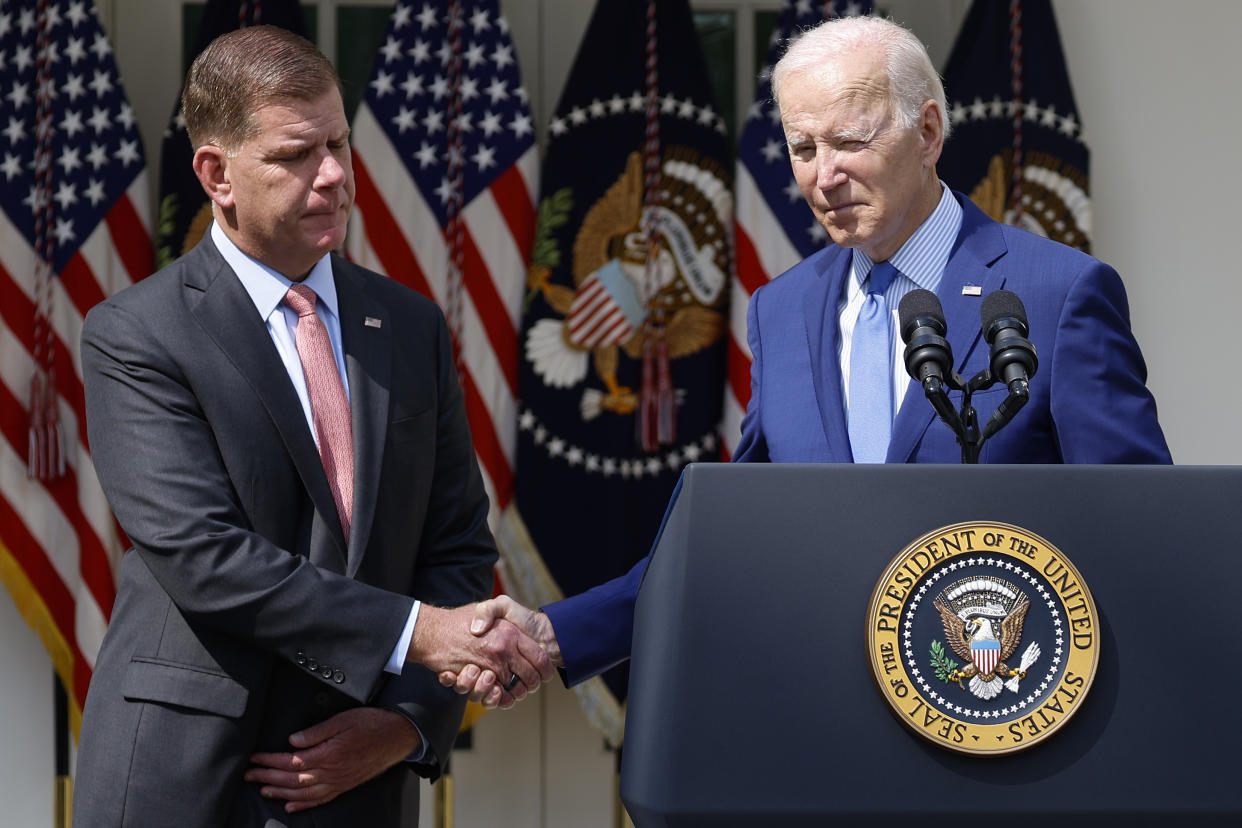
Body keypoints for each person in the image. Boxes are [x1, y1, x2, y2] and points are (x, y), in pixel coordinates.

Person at [442, 14, 1171, 706]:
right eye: (802, 148)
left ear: (928, 132)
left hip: (1002, 708)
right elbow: (736, 531)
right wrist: (558, 633)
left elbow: (1138, 532)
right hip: (825, 722)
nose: (823, 176)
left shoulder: (1057, 292)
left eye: (849, 142)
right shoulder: (783, 309)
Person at [72, 26, 550, 827]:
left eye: (338, 144)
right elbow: (204, 557)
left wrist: (405, 724)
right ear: (216, 174)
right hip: (186, 781)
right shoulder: (137, 334)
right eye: (295, 155)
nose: (331, 175)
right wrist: (418, 633)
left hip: (362, 781)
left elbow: (458, 545)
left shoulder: (409, 326)